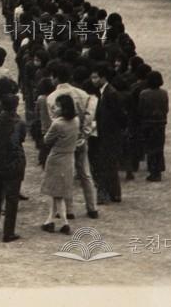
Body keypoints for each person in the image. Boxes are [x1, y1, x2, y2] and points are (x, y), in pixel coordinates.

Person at [46, 62, 98, 219]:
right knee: (85, 173)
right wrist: (84, 134)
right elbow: (90, 115)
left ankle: (68, 210)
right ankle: (92, 207)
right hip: (80, 137)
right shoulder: (82, 94)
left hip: (62, 142)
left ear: (54, 77)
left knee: (64, 175)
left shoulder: (52, 98)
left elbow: (54, 121)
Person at [0, 93, 27, 242]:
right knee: (12, 198)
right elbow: (21, 139)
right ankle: (9, 232)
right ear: (15, 106)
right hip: (14, 163)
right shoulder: (20, 123)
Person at [41, 94, 79, 234]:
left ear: (63, 108)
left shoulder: (57, 124)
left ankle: (63, 223)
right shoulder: (76, 121)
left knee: (54, 191)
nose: (54, 108)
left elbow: (46, 140)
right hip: (69, 158)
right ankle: (50, 220)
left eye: (57, 106)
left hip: (56, 158)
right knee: (58, 191)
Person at [89, 63, 126, 203]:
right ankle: (115, 194)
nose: (93, 80)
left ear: (103, 78)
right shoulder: (106, 92)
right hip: (108, 134)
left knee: (105, 165)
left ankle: (105, 195)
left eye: (95, 77)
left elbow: (119, 115)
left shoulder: (110, 94)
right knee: (109, 165)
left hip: (108, 135)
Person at [138, 70, 168, 181]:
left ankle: (153, 171)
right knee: (159, 146)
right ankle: (158, 170)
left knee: (150, 148)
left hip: (148, 123)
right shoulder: (164, 93)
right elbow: (166, 108)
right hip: (160, 123)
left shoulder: (144, 94)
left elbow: (140, 109)